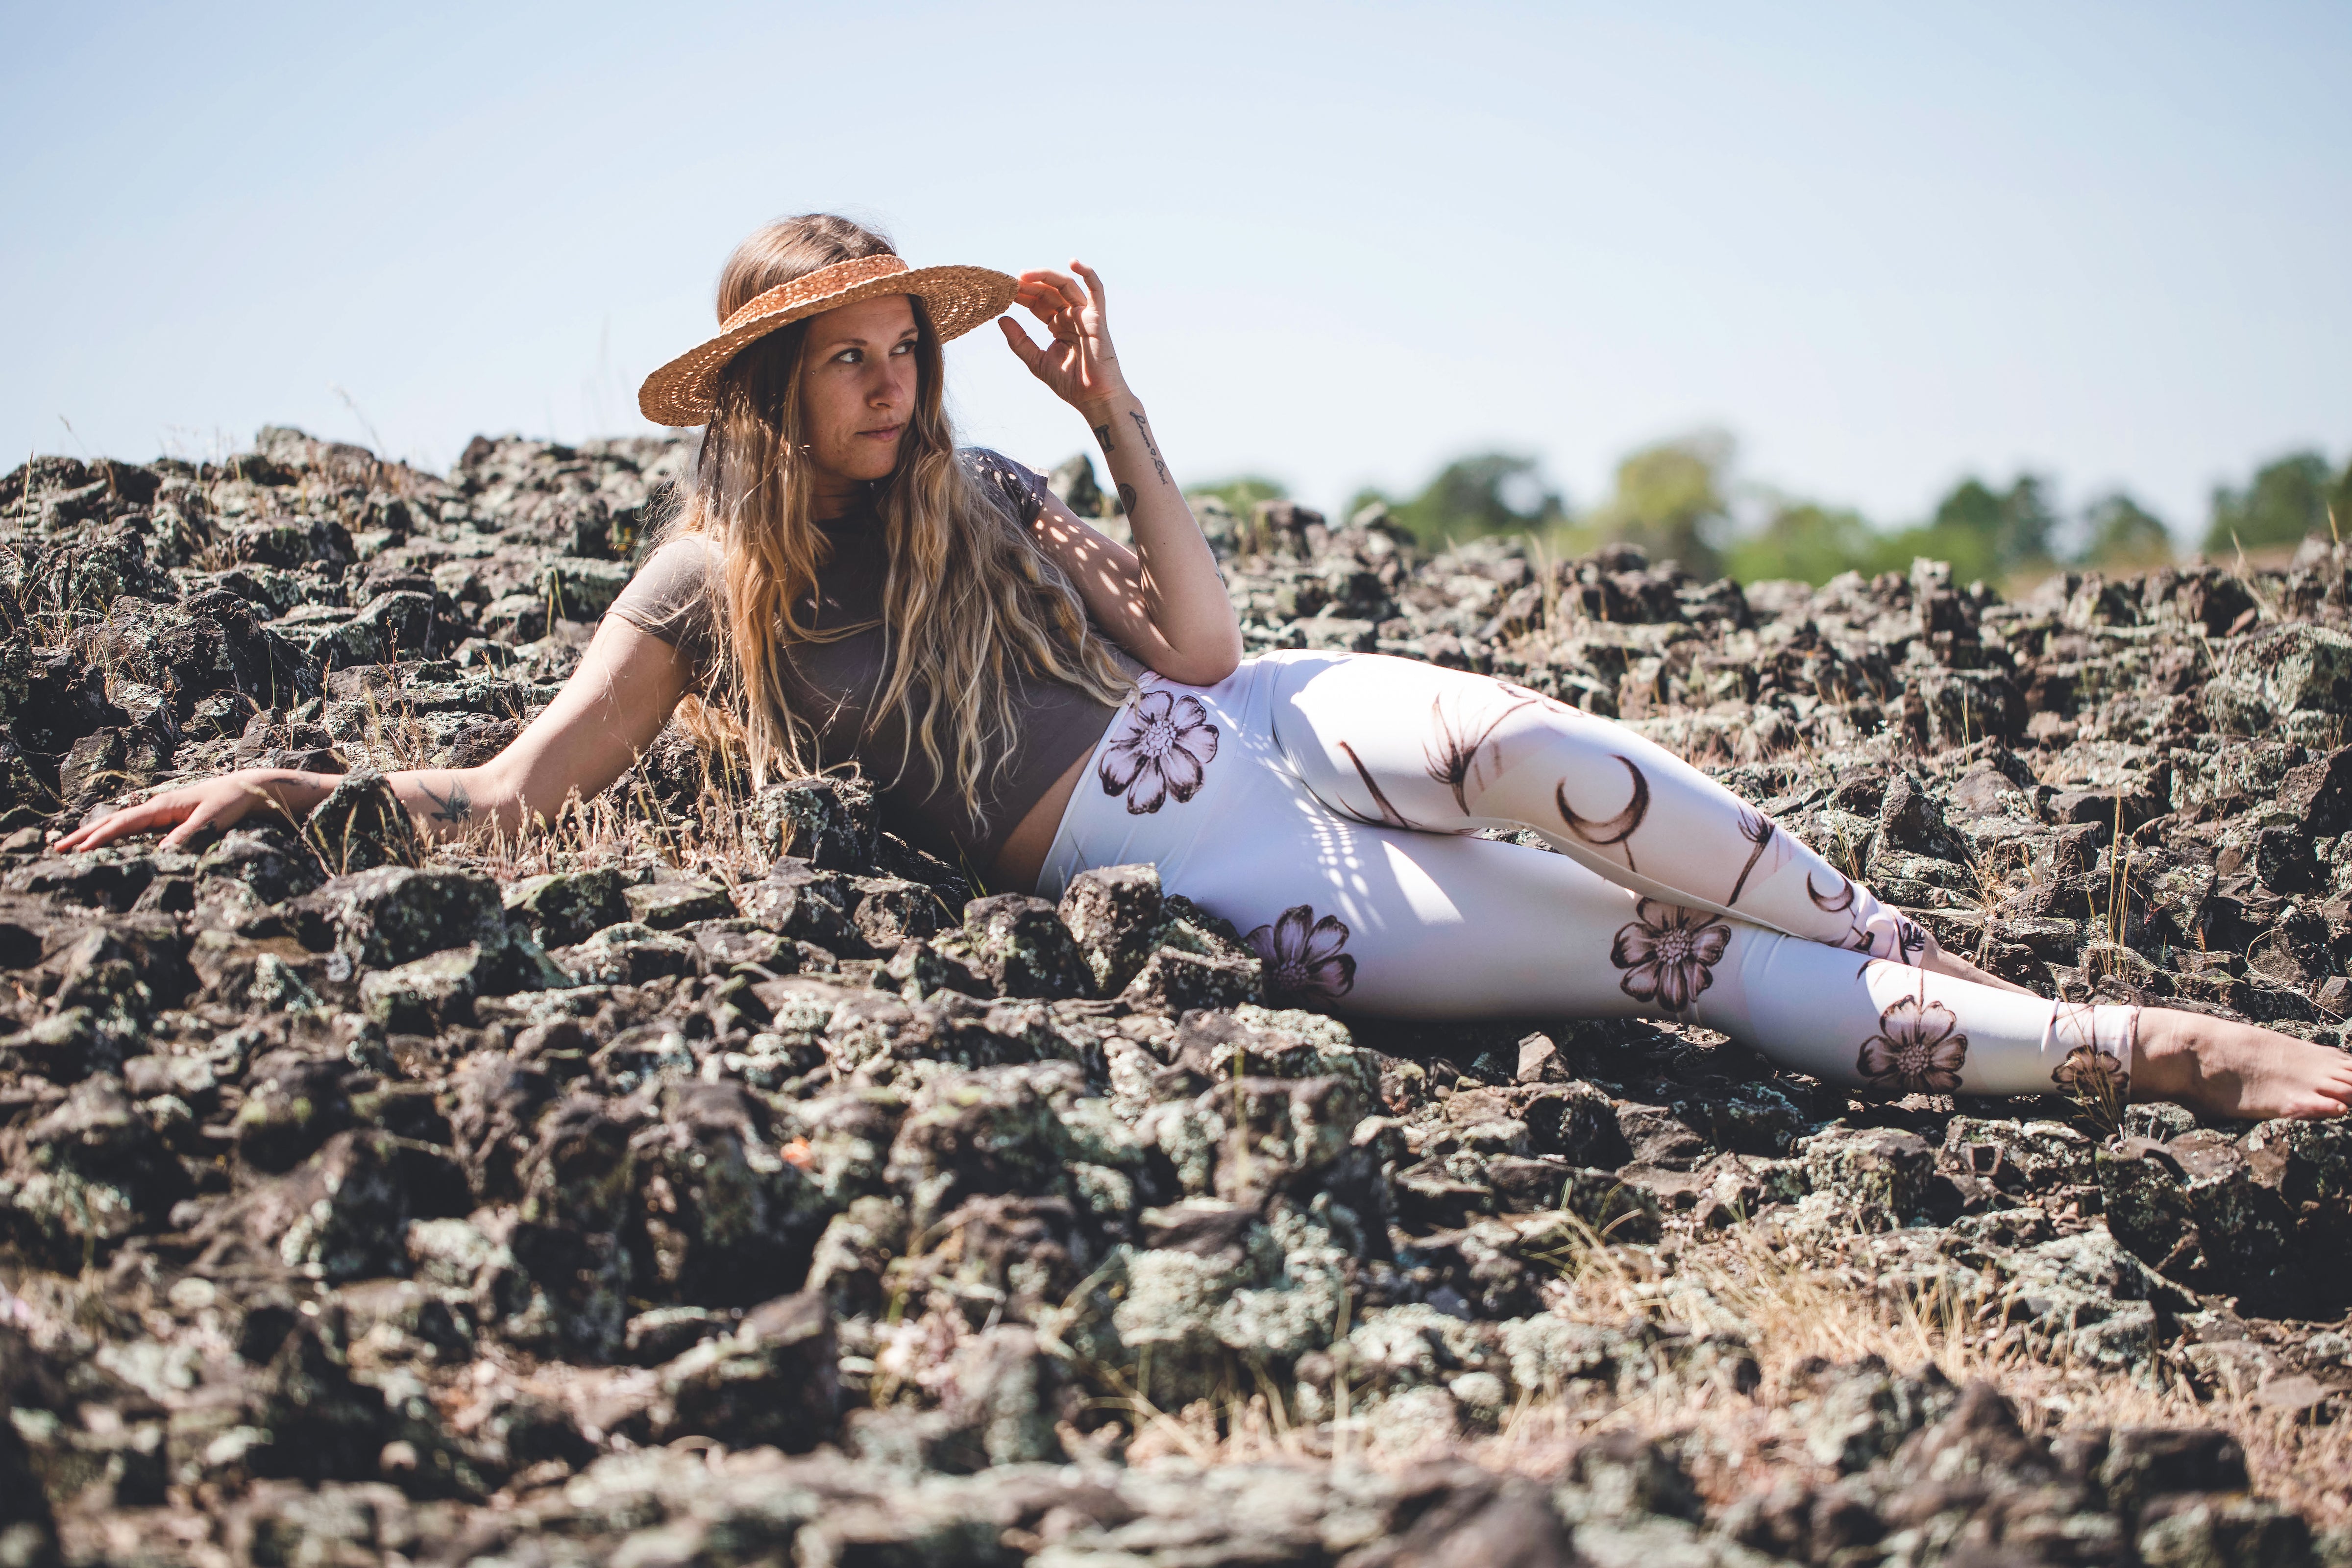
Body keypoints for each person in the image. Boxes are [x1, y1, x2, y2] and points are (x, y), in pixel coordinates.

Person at [58, 215, 2352, 1124]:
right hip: (1232, 881)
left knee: (1541, 747)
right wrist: (288, 801)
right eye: (847, 360)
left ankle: (1919, 933)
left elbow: (1209, 642)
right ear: (763, 388)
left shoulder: (977, 498)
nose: (890, 382)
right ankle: (2192, 1058)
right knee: (1692, 979)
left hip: (1258, 721)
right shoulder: (698, 600)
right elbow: (520, 795)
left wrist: (1118, 412)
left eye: (902, 348)